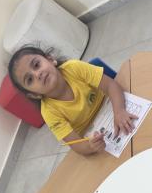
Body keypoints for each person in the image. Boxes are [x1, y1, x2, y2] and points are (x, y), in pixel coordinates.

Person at [8, 45, 137, 156]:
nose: (37, 74)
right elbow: (76, 145)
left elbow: (110, 85)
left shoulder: (74, 68)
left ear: (50, 60)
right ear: (34, 95)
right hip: (96, 133)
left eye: (36, 65)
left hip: (112, 105)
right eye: (30, 79)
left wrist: (119, 111)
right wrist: (90, 146)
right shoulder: (48, 112)